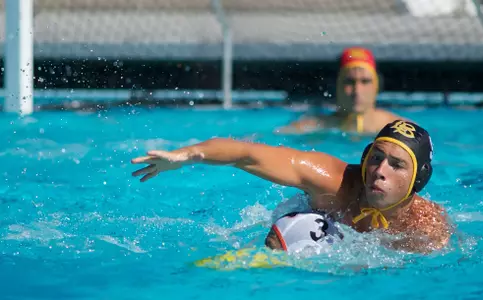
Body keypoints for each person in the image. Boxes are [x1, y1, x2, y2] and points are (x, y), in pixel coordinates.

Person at [131, 120, 452, 254]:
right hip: (303, 219)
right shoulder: (333, 180)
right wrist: (186, 156)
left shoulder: (425, 228)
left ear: (417, 180)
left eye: (396, 165)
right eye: (376, 157)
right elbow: (248, 154)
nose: (379, 171)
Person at [276, 47, 409, 135]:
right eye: (349, 82)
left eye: (365, 81)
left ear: (377, 85)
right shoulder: (312, 126)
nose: (357, 90)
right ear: (336, 85)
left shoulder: (398, 129)